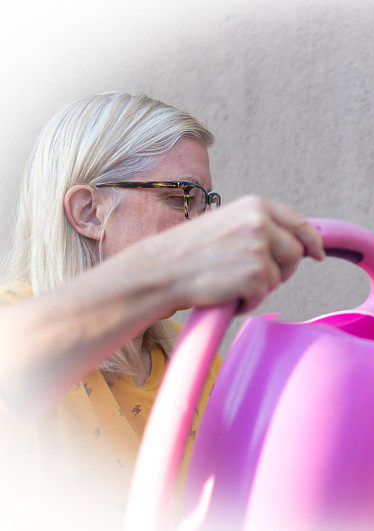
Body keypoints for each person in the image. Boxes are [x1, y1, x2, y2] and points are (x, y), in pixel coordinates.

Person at [0, 92, 325, 527]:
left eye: (206, 201)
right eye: (182, 197)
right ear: (88, 212)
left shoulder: (192, 361)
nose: (205, 222)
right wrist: (167, 268)